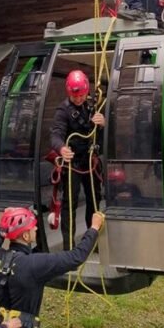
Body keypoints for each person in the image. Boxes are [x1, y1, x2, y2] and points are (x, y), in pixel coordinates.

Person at [0, 208, 104, 328]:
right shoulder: (35, 264)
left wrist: (7, 219)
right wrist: (94, 228)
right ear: (26, 236)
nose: (36, 229)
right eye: (33, 227)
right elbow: (76, 257)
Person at [50, 70, 105, 250]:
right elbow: (56, 135)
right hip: (72, 163)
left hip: (90, 161)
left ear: (86, 92)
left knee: (94, 200)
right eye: (75, 96)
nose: (78, 99)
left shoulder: (93, 106)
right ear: (68, 93)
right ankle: (68, 247)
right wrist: (62, 148)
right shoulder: (62, 110)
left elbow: (101, 138)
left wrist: (102, 124)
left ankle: (92, 241)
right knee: (70, 204)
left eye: (81, 95)